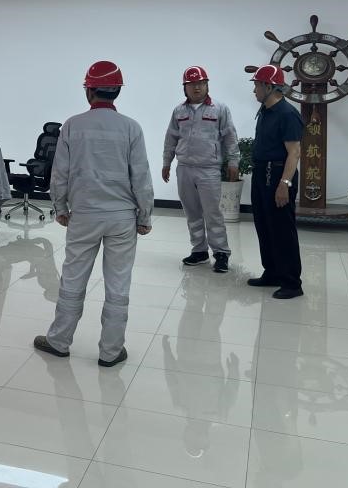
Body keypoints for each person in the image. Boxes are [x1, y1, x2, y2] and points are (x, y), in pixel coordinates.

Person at [33, 61, 154, 367]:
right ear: (117, 92)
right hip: (122, 218)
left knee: (73, 279)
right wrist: (144, 216)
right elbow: (141, 177)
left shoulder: (72, 126)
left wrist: (60, 207)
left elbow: (59, 173)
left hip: (84, 215)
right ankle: (111, 351)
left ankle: (59, 341)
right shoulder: (132, 128)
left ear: (89, 91)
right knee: (118, 284)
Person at [162, 66, 240, 273]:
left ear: (207, 85)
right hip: (184, 168)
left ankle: (221, 253)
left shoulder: (219, 109)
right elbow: (171, 138)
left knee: (213, 213)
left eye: (200, 84)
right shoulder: (179, 111)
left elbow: (230, 137)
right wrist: (166, 162)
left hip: (209, 169)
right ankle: (199, 251)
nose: (196, 88)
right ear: (185, 87)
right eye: (192, 84)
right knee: (192, 212)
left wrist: (233, 162)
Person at [247, 65, 304, 299]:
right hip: (262, 173)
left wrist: (285, 184)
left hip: (279, 174)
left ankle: (291, 283)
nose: (254, 90)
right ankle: (271, 272)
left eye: (256, 85)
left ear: (269, 86)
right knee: (264, 225)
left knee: (282, 230)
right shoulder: (265, 110)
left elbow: (294, 152)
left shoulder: (287, 114)